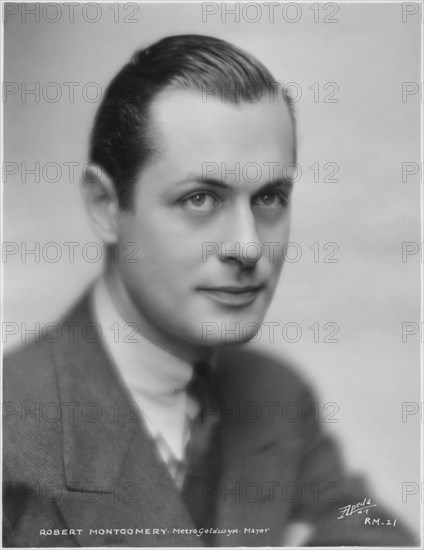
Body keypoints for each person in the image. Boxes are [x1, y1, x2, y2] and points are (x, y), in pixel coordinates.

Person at [3, 34, 415, 547]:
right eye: (200, 198)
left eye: (269, 197)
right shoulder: (12, 430)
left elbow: (364, 517)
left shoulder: (276, 393)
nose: (248, 247)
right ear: (106, 206)